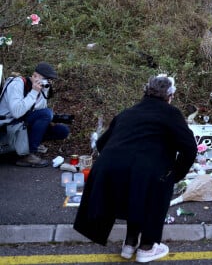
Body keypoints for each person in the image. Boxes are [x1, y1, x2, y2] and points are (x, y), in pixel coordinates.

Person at [74, 75, 196, 263]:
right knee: (153, 187)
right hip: (146, 170)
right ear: (170, 95)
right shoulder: (171, 113)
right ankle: (146, 247)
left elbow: (101, 143)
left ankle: (129, 244)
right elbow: (189, 148)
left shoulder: (128, 112)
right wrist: (176, 174)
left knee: (138, 191)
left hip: (109, 168)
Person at [0, 62, 69, 167]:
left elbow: (39, 111)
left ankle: (27, 145)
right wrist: (34, 92)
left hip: (22, 124)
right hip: (8, 125)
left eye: (50, 81)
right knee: (46, 113)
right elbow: (16, 113)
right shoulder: (17, 84)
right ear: (35, 76)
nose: (48, 83)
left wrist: (54, 118)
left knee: (62, 130)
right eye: (46, 79)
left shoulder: (42, 89)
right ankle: (27, 155)